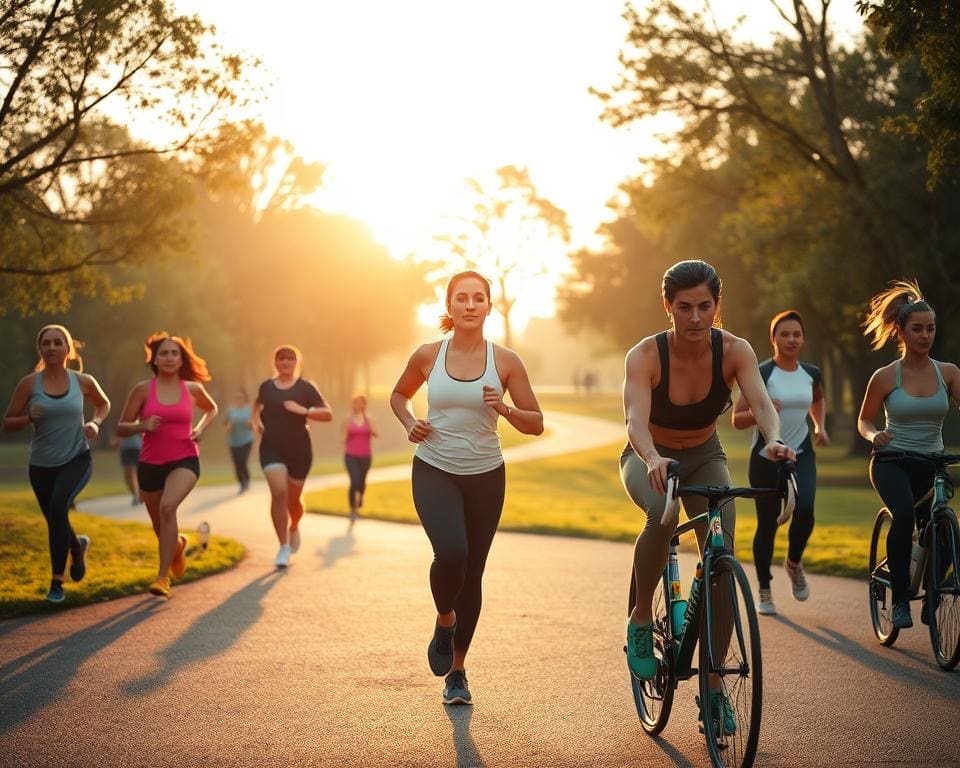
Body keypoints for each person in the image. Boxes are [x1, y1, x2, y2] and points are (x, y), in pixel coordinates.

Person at [620, 260, 793, 731]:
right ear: (668, 307)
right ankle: (640, 620)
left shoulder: (734, 350)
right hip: (648, 457)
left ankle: (714, 692)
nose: (695, 317)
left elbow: (759, 404)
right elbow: (635, 421)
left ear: (717, 306)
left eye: (704, 306)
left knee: (721, 558)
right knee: (663, 514)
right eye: (684, 307)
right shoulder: (646, 355)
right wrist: (653, 458)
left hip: (705, 454)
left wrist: (773, 439)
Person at [391, 270, 544, 706]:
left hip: (486, 476)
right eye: (462, 298)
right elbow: (399, 396)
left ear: (489, 307)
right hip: (434, 468)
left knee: (472, 573)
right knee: (452, 553)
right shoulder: (427, 355)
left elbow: (537, 423)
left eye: (479, 298)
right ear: (450, 306)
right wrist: (409, 422)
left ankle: (456, 673)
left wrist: (506, 408)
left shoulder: (507, 361)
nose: (470, 304)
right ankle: (444, 619)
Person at [857, 280, 960, 629]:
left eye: (931, 328)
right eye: (917, 329)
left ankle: (932, 596)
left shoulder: (948, 373)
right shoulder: (886, 376)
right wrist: (875, 435)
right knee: (903, 514)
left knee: (945, 528)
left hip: (932, 463)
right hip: (892, 462)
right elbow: (864, 420)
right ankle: (901, 599)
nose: (925, 335)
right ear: (901, 330)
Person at [2, 324, 111, 603]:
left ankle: (56, 583)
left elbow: (103, 404)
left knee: (58, 508)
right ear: (40, 349)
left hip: (77, 457)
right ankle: (77, 547)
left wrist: (96, 423)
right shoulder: (29, 384)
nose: (51, 347)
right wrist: (28, 417)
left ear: (67, 349)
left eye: (57, 342)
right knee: (55, 515)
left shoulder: (82, 380)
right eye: (46, 343)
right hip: (40, 465)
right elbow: (7, 423)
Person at [732, 310, 829, 615]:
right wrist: (761, 411)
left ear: (803, 338)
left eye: (796, 334)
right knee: (768, 524)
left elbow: (816, 400)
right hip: (765, 457)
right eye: (784, 334)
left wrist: (819, 425)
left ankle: (793, 562)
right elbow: (737, 419)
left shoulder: (811, 373)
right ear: (773, 338)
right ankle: (764, 589)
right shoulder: (761, 373)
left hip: (800, 454)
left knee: (806, 509)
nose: (791, 340)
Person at [116, 332, 218, 599]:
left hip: (185, 458)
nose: (170, 358)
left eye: (175, 353)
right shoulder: (142, 390)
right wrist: (142, 425)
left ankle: (162, 578)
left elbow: (212, 409)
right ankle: (178, 545)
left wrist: (199, 428)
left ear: (181, 358)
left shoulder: (192, 389)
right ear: (155, 359)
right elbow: (121, 427)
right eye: (164, 353)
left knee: (168, 507)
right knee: (160, 526)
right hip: (150, 463)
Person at [252, 345, 332, 568]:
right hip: (271, 448)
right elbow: (257, 405)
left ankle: (294, 524)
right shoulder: (267, 386)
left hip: (299, 450)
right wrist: (256, 422)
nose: (285, 362)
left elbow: (328, 413)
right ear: (275, 362)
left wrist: (304, 411)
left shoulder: (305, 388)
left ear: (297, 362)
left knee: (293, 500)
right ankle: (283, 547)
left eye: (290, 358)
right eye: (281, 358)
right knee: (278, 493)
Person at [342, 394, 378, 522]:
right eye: (354, 403)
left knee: (362, 482)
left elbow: (376, 434)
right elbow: (343, 437)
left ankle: (361, 497)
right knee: (354, 480)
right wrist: (344, 439)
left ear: (364, 405)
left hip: (366, 455)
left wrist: (373, 432)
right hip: (351, 455)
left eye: (358, 403)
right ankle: (353, 510)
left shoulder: (369, 419)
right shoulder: (347, 419)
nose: (355, 405)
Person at [224, 389, 254, 493]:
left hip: (246, 440)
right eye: (237, 398)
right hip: (233, 442)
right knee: (237, 464)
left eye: (240, 398)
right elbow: (226, 428)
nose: (238, 400)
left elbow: (252, 426)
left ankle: (247, 480)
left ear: (245, 399)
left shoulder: (249, 410)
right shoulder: (230, 411)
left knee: (242, 462)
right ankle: (242, 484)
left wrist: (249, 424)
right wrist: (230, 425)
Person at [109, 432, 143, 506]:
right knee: (127, 476)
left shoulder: (138, 421)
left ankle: (138, 494)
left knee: (133, 473)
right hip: (125, 449)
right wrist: (115, 442)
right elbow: (117, 436)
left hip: (136, 448)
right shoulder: (121, 421)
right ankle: (136, 494)